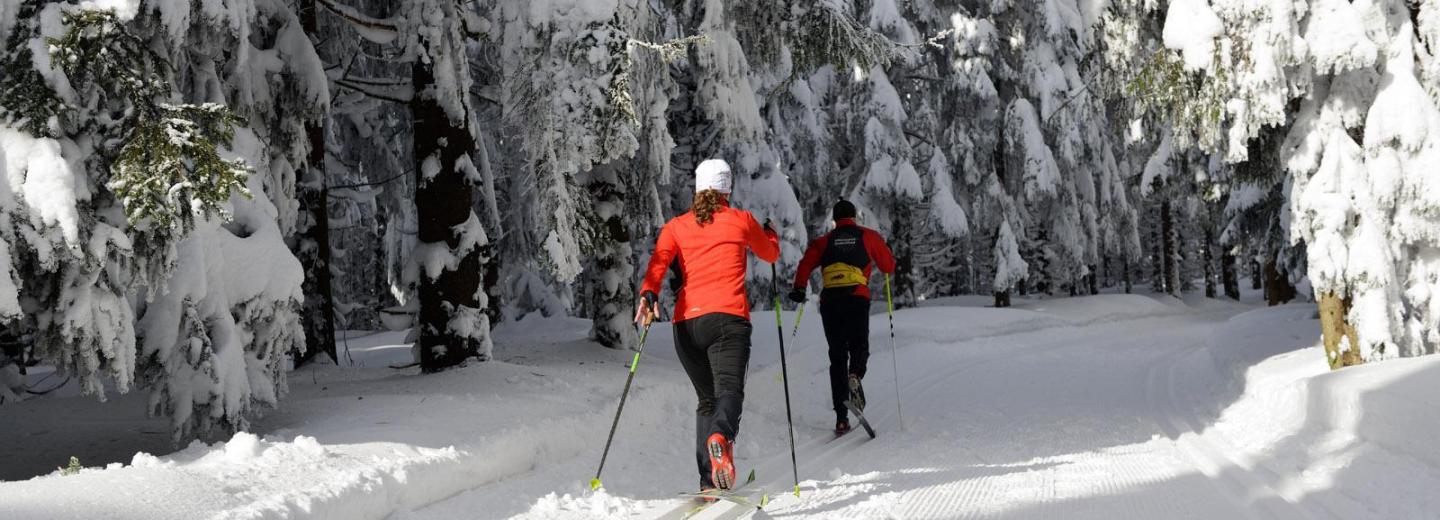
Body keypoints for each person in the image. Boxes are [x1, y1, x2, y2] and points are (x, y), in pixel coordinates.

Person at [636, 159, 779, 492]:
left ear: (698, 189)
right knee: (729, 392)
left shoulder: (676, 226)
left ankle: (708, 481)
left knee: (707, 400)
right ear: (727, 189)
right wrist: (771, 234)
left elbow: (658, 262)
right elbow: (770, 254)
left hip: (687, 325)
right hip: (727, 319)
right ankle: (720, 437)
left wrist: (648, 293)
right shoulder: (741, 220)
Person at [788, 200, 895, 435]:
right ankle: (855, 373)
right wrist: (887, 251)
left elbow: (805, 264)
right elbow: (888, 266)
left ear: (835, 220)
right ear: (854, 217)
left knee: (837, 355)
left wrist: (799, 288)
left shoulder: (824, 241)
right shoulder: (868, 236)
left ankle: (841, 418)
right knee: (859, 345)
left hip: (831, 302)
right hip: (857, 298)